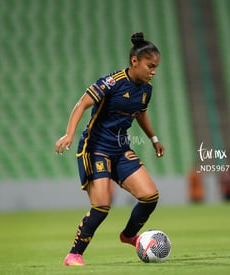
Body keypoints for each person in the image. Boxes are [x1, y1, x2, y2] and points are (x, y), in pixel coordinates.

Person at [54, 32, 164, 266]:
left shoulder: (146, 89)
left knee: (150, 197)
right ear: (135, 61)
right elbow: (82, 103)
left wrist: (153, 138)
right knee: (102, 205)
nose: (153, 71)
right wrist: (69, 134)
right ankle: (74, 254)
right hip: (95, 147)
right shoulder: (111, 82)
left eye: (156, 67)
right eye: (150, 66)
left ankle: (128, 235)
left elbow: (141, 112)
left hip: (120, 148)